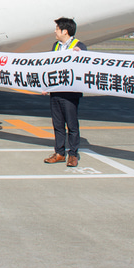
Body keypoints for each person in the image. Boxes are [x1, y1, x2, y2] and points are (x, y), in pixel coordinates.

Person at [44, 17, 87, 167]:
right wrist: (45, 86)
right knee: (58, 124)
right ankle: (59, 152)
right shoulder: (56, 46)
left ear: (65, 31)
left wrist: (80, 55)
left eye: (57, 29)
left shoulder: (79, 46)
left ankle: (73, 154)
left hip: (70, 93)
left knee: (72, 125)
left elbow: (85, 67)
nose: (55, 32)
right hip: (56, 91)